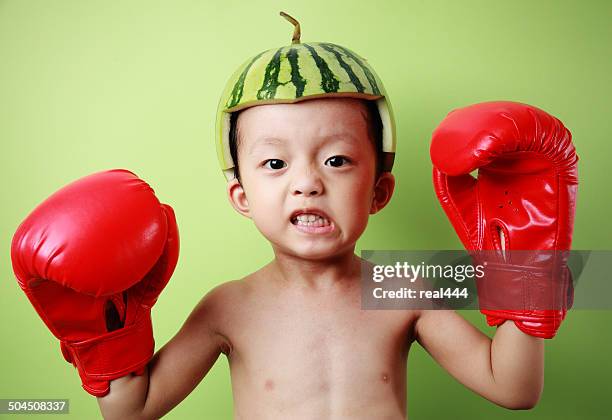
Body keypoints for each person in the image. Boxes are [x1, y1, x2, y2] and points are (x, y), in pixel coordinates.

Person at [11, 12, 577, 420]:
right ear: (241, 196)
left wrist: (527, 268)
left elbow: (514, 389)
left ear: (379, 190)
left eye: (336, 159)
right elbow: (131, 413)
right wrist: (106, 333)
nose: (308, 181)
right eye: (276, 162)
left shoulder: (404, 288)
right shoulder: (229, 306)